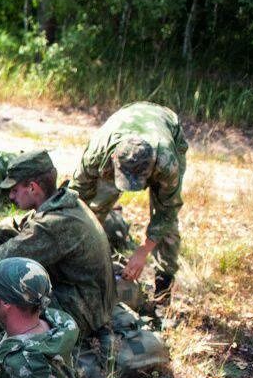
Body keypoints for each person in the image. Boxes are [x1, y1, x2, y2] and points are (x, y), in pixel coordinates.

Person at [0, 150, 115, 343]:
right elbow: (17, 225)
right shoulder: (63, 202)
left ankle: (2, 343)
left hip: (83, 311)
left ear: (33, 188)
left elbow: (3, 257)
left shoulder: (54, 224)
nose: (10, 196)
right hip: (89, 299)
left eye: (15, 189)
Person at [73, 102, 187, 304]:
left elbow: (168, 210)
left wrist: (143, 251)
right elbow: (77, 193)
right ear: (114, 159)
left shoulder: (167, 161)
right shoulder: (98, 151)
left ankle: (163, 290)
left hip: (165, 126)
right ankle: (84, 261)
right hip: (125, 120)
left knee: (166, 229)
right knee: (93, 209)